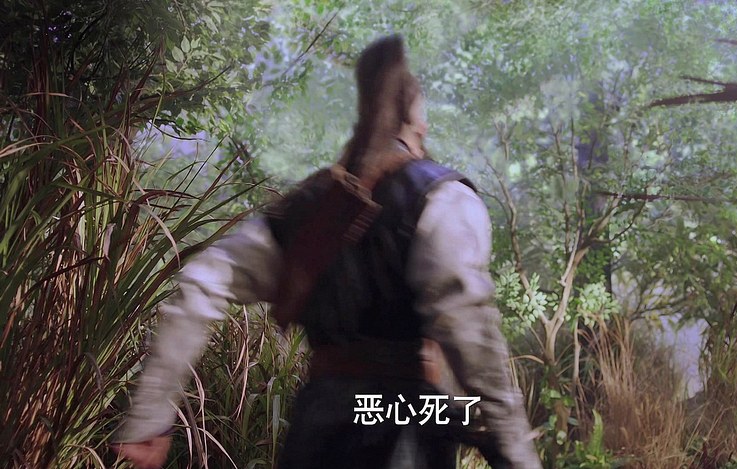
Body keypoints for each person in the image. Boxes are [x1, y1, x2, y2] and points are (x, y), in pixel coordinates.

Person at [112, 35, 542, 469]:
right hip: (402, 430)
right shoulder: (444, 198)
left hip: (317, 428)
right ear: (417, 123)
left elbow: (201, 284)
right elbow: (470, 332)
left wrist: (149, 417)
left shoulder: (307, 207)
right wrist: (516, 454)